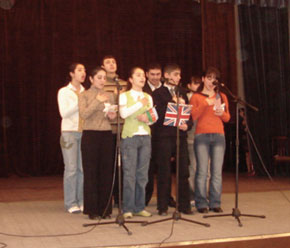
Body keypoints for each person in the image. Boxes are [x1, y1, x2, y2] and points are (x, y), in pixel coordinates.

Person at [152, 63, 192, 216]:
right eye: (175, 74)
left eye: (179, 75)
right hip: (164, 136)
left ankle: (184, 205)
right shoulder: (158, 93)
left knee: (183, 170)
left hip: (180, 136)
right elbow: (158, 115)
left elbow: (190, 115)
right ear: (167, 75)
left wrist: (186, 125)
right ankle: (162, 206)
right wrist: (173, 104)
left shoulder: (182, 92)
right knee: (164, 171)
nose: (178, 77)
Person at [190, 66, 230, 213]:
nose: (211, 81)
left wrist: (221, 113)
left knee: (217, 171)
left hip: (219, 135)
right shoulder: (196, 97)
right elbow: (192, 116)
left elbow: (227, 118)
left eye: (214, 79)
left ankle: (215, 202)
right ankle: (201, 203)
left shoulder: (222, 96)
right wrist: (205, 104)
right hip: (201, 136)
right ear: (203, 79)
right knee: (201, 170)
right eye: (209, 78)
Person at [79, 67, 117, 219]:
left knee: (106, 173)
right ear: (91, 79)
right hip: (90, 135)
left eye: (104, 78)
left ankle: (105, 208)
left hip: (106, 135)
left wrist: (112, 115)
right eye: (99, 77)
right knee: (91, 173)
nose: (102, 80)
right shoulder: (84, 95)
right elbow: (84, 114)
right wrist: (97, 101)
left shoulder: (110, 95)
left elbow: (110, 117)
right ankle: (92, 210)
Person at [119, 67, 153, 219]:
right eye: (137, 75)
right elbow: (124, 114)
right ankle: (128, 208)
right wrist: (140, 104)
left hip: (145, 137)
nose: (142, 78)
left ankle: (140, 206)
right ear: (131, 79)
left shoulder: (148, 96)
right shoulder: (124, 96)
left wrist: (149, 119)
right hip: (130, 137)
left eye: (143, 75)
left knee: (142, 175)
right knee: (129, 174)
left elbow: (153, 117)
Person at [143, 63, 176, 208]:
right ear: (147, 74)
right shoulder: (142, 90)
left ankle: (166, 197)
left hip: (164, 134)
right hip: (146, 132)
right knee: (147, 168)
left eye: (158, 75)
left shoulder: (168, 90)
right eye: (152, 74)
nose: (155, 78)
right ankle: (145, 197)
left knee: (165, 168)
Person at [57, 63, 86, 214]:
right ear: (71, 73)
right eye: (80, 70)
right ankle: (70, 202)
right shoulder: (64, 92)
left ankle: (81, 200)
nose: (83, 73)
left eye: (84, 70)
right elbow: (64, 113)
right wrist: (80, 103)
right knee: (71, 168)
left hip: (84, 132)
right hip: (69, 133)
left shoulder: (85, 91)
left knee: (82, 169)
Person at [101, 55, 128, 207]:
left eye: (114, 62)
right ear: (103, 66)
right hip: (108, 129)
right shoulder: (102, 83)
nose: (111, 65)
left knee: (122, 165)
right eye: (108, 63)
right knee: (109, 165)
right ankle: (108, 198)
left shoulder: (124, 83)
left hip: (123, 129)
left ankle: (120, 198)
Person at [186, 76, 201, 206]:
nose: (198, 86)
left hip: (205, 136)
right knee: (194, 167)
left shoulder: (207, 97)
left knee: (205, 168)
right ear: (189, 85)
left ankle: (202, 193)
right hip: (191, 137)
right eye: (195, 83)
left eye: (199, 84)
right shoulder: (186, 98)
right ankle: (191, 193)